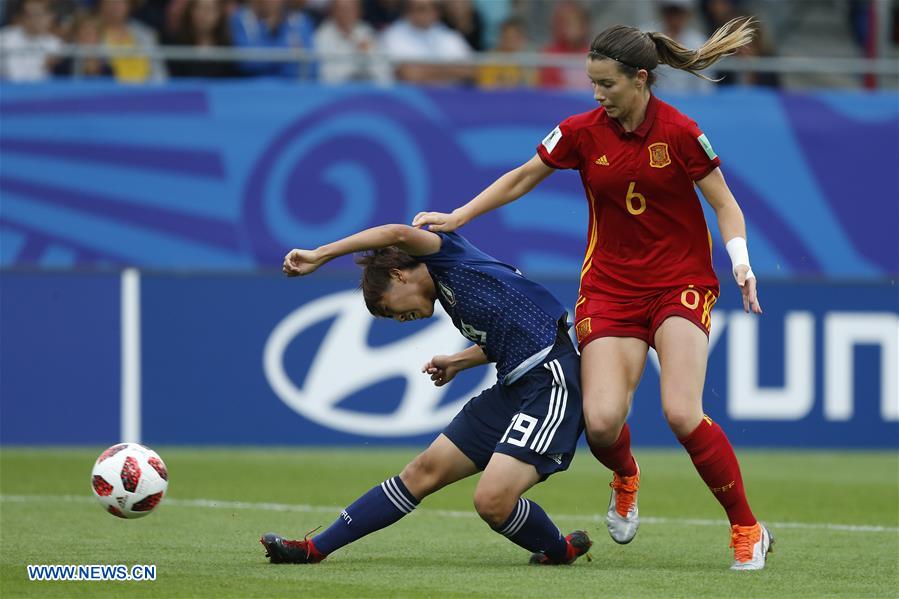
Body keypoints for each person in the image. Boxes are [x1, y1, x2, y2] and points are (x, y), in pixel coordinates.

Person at [412, 17, 774, 571]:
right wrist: (457, 217)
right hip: (609, 289)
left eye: (607, 84)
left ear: (642, 79)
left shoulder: (680, 132)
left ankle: (747, 527)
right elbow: (521, 177)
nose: (597, 94)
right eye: (592, 83)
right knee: (601, 421)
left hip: (679, 283)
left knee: (681, 412)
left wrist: (742, 262)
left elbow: (725, 204)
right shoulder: (580, 131)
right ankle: (626, 475)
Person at [261, 223, 591, 566]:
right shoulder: (452, 296)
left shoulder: (446, 257)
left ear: (398, 275)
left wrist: (320, 254)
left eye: (389, 308)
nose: (399, 319)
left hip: (550, 382)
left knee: (492, 501)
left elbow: (397, 233)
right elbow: (509, 335)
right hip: (514, 386)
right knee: (422, 471)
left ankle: (561, 550)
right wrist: (458, 362)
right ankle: (313, 550)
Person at [378, 0, 473, 85]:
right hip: (409, 99)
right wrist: (449, 71)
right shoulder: (393, 36)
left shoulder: (448, 35)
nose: (429, 12)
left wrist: (426, 71)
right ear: (408, 11)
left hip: (450, 98)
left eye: (434, 8)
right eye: (422, 9)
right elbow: (409, 75)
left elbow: (470, 69)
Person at [313, 0, 390, 84]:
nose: (346, 14)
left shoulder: (366, 32)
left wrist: (367, 53)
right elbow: (325, 75)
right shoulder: (322, 36)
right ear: (333, 12)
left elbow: (384, 74)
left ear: (359, 11)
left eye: (351, 10)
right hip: (337, 91)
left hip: (367, 88)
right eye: (342, 10)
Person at [167, 0, 236, 78]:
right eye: (199, 8)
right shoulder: (176, 45)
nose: (203, 14)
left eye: (209, 9)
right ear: (190, 11)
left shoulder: (228, 46)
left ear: (219, 13)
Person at [0, 0, 62, 82]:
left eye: (38, 15)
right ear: (22, 17)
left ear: (49, 17)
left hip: (39, 91)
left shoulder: (55, 43)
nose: (34, 20)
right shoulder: (5, 37)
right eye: (29, 15)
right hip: (9, 90)